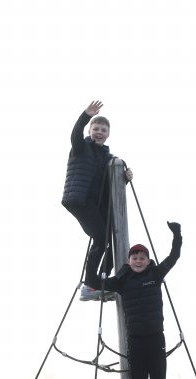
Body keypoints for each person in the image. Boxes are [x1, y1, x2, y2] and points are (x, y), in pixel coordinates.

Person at [83, 222, 182, 379]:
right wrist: (95, 251)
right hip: (135, 338)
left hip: (156, 336)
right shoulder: (122, 280)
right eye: (135, 258)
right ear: (129, 261)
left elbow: (174, 257)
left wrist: (177, 235)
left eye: (142, 258)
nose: (138, 261)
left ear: (148, 261)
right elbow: (93, 281)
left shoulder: (155, 275)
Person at [61, 100, 133, 301]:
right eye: (96, 128)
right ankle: (90, 285)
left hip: (95, 203)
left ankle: (100, 281)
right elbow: (75, 133)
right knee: (102, 238)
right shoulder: (81, 147)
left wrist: (123, 178)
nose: (99, 132)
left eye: (103, 129)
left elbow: (109, 186)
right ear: (90, 130)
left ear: (108, 134)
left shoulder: (108, 157)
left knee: (110, 239)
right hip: (79, 200)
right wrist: (85, 115)